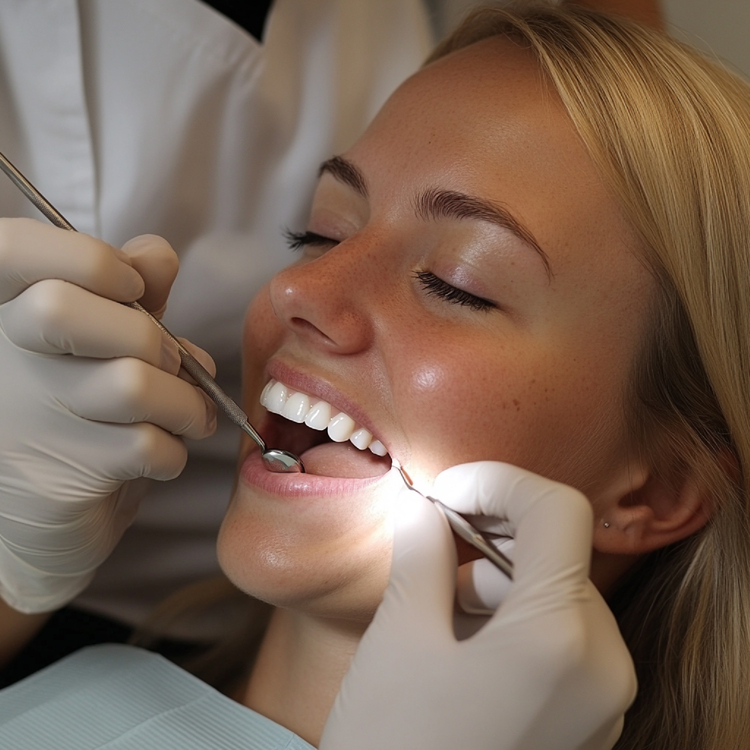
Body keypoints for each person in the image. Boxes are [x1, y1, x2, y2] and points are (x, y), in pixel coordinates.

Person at [2, 4, 748, 749]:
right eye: (319, 234)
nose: (299, 290)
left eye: (459, 283)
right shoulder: (84, 682)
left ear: (659, 488)